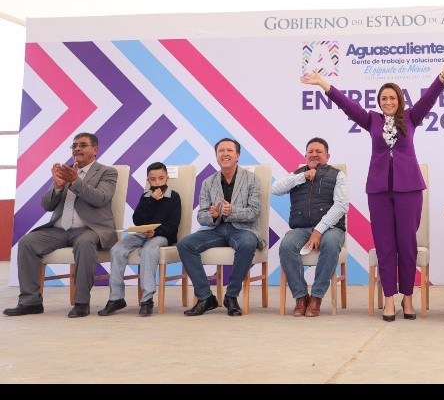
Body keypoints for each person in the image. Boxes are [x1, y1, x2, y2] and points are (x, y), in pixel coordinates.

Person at [302, 56, 444, 321]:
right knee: (385, 245)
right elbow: (348, 106)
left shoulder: (411, 117)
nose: (388, 102)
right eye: (383, 99)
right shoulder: (371, 120)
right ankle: (389, 299)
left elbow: (429, 99)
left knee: (407, 244)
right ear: (379, 102)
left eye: (392, 98)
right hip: (379, 191)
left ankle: (408, 298)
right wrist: (324, 84)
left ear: (399, 100)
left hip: (409, 190)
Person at [4, 132, 118, 318]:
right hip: (59, 230)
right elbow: (47, 205)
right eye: (74, 145)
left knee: (85, 243)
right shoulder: (66, 172)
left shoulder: (107, 172)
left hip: (90, 230)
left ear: (95, 149)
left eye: (82, 145)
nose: (77, 149)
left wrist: (75, 181)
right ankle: (30, 302)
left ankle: (81, 303)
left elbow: (100, 198)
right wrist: (57, 186)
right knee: (27, 242)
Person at [177, 137, 263, 317]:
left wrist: (232, 211)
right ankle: (205, 297)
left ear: (237, 155)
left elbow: (254, 212)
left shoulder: (252, 179)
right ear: (216, 156)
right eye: (221, 151)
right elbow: (201, 216)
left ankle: (231, 296)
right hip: (215, 229)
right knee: (185, 244)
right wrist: (213, 215)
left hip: (243, 229)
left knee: (247, 243)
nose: (225, 154)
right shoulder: (208, 182)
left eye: (229, 150)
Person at [273, 137, 349, 318]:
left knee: (331, 243)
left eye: (319, 151)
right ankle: (301, 297)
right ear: (305, 155)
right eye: (310, 152)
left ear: (327, 156)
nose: (314, 154)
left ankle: (316, 296)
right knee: (286, 246)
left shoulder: (338, 175)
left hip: (331, 228)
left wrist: (318, 230)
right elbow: (275, 189)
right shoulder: (297, 174)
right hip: (301, 228)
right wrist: (302, 177)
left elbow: (341, 206)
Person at [97, 162, 181, 317]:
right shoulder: (146, 197)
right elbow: (138, 220)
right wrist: (151, 201)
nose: (157, 182)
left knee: (148, 250)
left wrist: (155, 232)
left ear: (167, 178)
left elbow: (173, 225)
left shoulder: (174, 197)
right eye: (153, 179)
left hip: (162, 236)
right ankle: (116, 298)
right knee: (117, 249)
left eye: (161, 178)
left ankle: (147, 300)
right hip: (142, 234)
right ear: (148, 180)